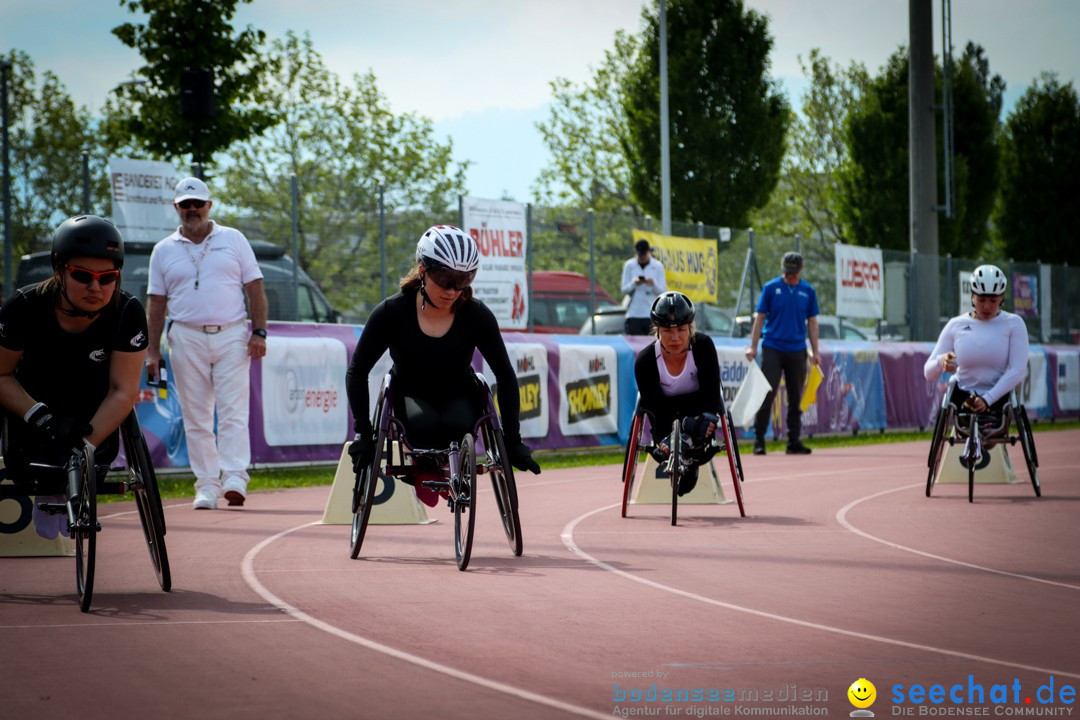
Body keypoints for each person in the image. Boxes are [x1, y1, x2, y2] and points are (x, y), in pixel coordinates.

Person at [345, 225, 540, 503]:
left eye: (463, 280)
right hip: (410, 392)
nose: (453, 290)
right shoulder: (392, 313)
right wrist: (363, 433)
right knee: (422, 426)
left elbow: (505, 375)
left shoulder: (477, 316)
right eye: (445, 278)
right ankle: (424, 470)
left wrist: (513, 440)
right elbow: (357, 370)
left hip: (459, 391)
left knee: (457, 424)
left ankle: (440, 470)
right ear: (423, 270)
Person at [0, 215, 148, 538]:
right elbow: (1, 375)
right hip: (32, 420)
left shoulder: (128, 313)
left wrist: (85, 445)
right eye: (83, 276)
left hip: (93, 421)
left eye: (107, 278)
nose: (96, 287)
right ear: (59, 270)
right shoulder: (23, 308)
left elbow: (123, 392)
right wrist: (33, 413)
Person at [145, 177, 269, 510]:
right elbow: (156, 302)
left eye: (198, 203)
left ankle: (234, 478)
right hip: (185, 335)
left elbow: (255, 287)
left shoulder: (234, 239)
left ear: (209, 205)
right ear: (176, 208)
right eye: (185, 205)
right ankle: (206, 485)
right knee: (196, 416)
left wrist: (259, 332)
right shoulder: (163, 250)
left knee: (232, 411)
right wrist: (152, 350)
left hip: (231, 334)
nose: (192, 210)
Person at [633, 292, 722, 497]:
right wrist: (679, 426)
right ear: (657, 331)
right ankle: (679, 439)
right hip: (664, 418)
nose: (675, 338)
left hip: (699, 416)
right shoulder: (646, 362)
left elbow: (711, 395)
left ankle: (686, 442)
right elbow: (652, 408)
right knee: (670, 425)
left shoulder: (703, 347)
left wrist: (697, 421)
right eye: (667, 331)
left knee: (702, 422)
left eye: (682, 330)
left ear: (690, 328)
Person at [924, 264, 1029, 418]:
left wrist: (988, 399)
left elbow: (1018, 371)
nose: (986, 306)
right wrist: (941, 361)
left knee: (989, 434)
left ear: (1002, 298)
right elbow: (928, 373)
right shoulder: (955, 324)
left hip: (997, 397)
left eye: (993, 300)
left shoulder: (1014, 323)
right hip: (963, 397)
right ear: (972, 296)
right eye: (981, 299)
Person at [744, 251, 820, 456]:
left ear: (801, 270)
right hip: (773, 347)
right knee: (767, 393)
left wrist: (815, 351)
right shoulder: (771, 288)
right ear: (783, 270)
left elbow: (812, 323)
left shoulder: (808, 291)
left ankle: (793, 441)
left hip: (797, 349)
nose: (791, 276)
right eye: (788, 272)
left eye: (794, 272)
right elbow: (760, 318)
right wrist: (753, 346)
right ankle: (759, 440)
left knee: (795, 397)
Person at [621, 238, 667, 335]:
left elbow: (663, 291)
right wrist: (634, 283)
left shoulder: (657, 266)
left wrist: (653, 284)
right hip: (633, 314)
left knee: (651, 345)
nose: (642, 257)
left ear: (648, 252)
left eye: (644, 254)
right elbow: (624, 289)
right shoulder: (629, 265)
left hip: (651, 313)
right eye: (640, 255)